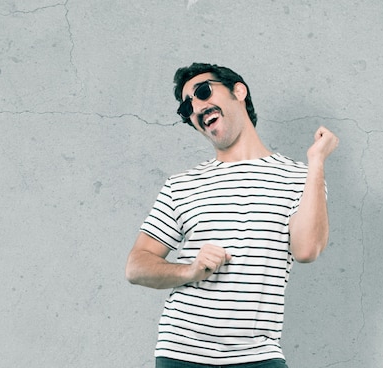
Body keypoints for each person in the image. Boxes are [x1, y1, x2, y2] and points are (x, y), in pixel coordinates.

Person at [125, 63, 339, 368]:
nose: (197, 106)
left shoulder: (300, 179)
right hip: (182, 355)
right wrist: (189, 271)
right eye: (187, 106)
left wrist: (316, 162)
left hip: (257, 356)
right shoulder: (181, 186)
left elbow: (307, 250)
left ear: (239, 90)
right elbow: (136, 266)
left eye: (202, 92)